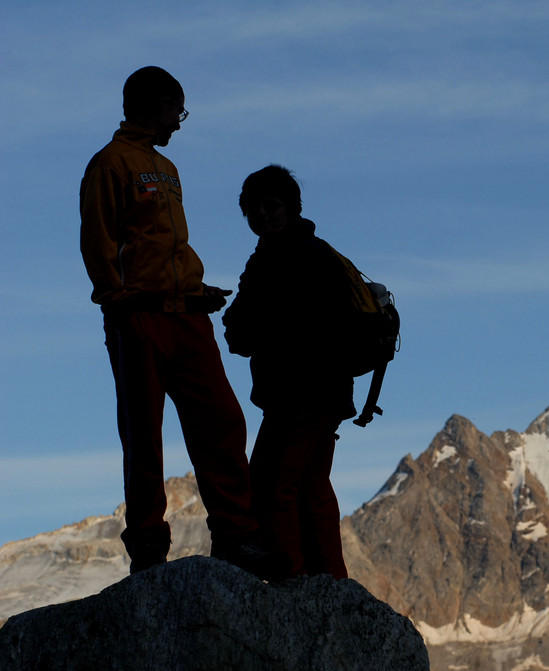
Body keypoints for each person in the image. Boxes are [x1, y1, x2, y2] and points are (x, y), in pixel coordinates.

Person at [80, 66, 275, 577]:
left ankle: (236, 536)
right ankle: (148, 547)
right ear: (158, 103)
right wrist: (117, 300)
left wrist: (194, 289)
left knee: (222, 423)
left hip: (188, 317)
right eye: (177, 111)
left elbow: (165, 247)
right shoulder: (110, 164)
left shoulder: (166, 168)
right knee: (144, 436)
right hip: (137, 317)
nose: (180, 123)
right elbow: (98, 242)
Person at [222, 165, 355, 579]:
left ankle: (288, 578)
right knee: (312, 488)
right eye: (253, 210)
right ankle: (329, 582)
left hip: (300, 395)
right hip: (325, 394)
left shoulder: (280, 259)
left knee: (271, 484)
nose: (262, 215)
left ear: (292, 207)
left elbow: (240, 332)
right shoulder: (315, 253)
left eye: (270, 206)